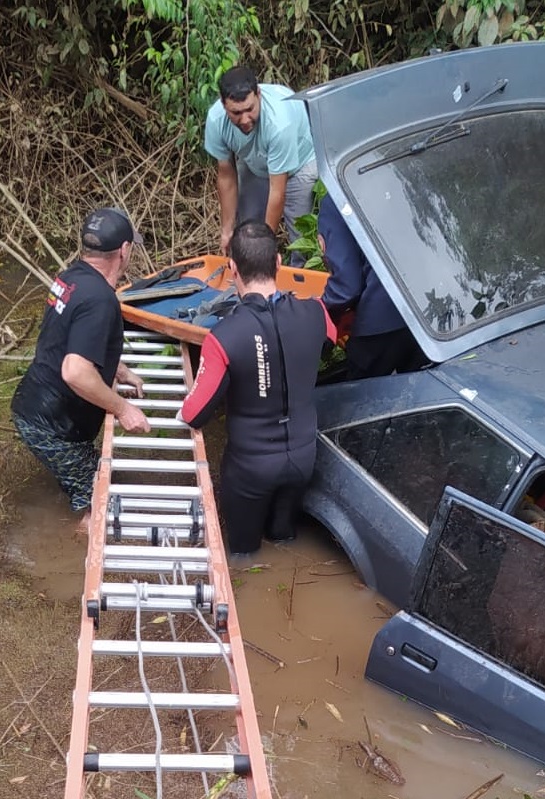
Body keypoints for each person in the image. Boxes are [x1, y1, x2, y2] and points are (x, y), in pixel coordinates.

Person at [178, 221, 337, 558]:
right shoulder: (316, 311)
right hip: (304, 457)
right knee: (285, 543)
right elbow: (329, 345)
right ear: (279, 262)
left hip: (251, 468)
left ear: (232, 267)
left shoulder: (224, 337)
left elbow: (195, 414)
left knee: (243, 555)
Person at [11, 207, 150, 530]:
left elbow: (70, 339)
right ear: (124, 251)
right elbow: (75, 371)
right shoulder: (100, 299)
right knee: (101, 500)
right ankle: (74, 554)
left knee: (97, 482)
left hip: (35, 406)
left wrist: (118, 369)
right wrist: (123, 409)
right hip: (54, 426)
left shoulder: (71, 278)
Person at [204, 65, 317, 260]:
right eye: (236, 113)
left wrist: (266, 244)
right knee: (247, 233)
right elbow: (226, 176)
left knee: (300, 240)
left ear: (258, 95)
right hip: (255, 161)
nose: (245, 119)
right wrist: (226, 230)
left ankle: (295, 277)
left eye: (250, 109)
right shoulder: (216, 120)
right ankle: (249, 274)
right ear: (223, 104)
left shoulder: (279, 123)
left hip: (299, 163)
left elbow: (277, 191)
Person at [316, 193, 429, 379]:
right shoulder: (398, 174)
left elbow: (346, 287)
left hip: (381, 317)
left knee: (359, 397)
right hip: (427, 308)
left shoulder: (337, 199)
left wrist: (319, 311)